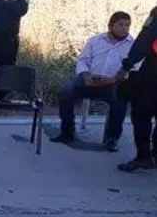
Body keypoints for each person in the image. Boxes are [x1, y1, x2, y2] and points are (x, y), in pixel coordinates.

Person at [51, 11, 133, 151]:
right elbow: (83, 60)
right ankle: (67, 132)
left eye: (127, 25)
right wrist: (86, 75)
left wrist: (114, 79)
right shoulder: (95, 40)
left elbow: (134, 68)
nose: (124, 28)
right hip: (90, 80)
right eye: (121, 25)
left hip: (114, 83)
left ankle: (111, 138)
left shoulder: (132, 45)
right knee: (66, 92)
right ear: (111, 26)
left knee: (120, 102)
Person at [114, 6, 157, 172]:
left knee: (141, 115)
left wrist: (126, 66)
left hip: (152, 77)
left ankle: (144, 157)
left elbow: (143, 42)